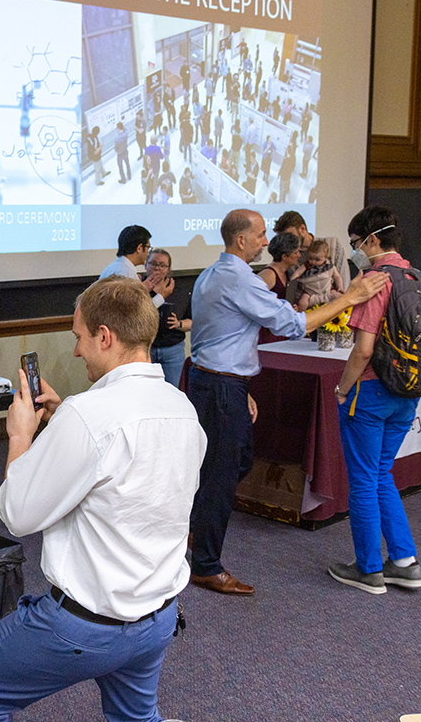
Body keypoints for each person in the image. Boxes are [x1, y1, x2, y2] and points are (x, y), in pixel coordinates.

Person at [0, 277, 206, 722]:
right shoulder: (181, 407)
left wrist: (21, 437)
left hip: (84, 628)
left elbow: (17, 514)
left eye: (79, 338)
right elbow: (129, 471)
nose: (76, 350)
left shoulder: (88, 416)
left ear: (105, 336)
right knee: (136, 717)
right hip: (158, 619)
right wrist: (65, 423)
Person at [187, 210, 388, 595]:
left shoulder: (211, 274)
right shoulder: (239, 280)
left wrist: (240, 388)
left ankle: (198, 530)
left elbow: (220, 340)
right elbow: (292, 325)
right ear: (241, 240)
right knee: (221, 475)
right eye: (261, 235)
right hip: (219, 387)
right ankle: (206, 565)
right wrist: (350, 297)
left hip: (217, 382)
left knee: (235, 462)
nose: (267, 241)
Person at [329, 206, 421, 594]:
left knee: (362, 480)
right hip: (409, 390)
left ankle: (369, 568)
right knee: (381, 474)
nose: (355, 250)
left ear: (371, 240)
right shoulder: (418, 277)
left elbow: (363, 349)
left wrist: (342, 389)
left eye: (356, 243)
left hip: (370, 391)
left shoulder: (374, 280)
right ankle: (405, 561)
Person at [272, 210, 351, 305]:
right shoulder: (288, 256)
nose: (289, 241)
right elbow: (292, 290)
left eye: (290, 235)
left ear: (302, 228)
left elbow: (344, 283)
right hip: (307, 310)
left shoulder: (332, 246)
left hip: (333, 308)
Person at [146, 249, 191, 387]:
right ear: (145, 265)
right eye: (153, 263)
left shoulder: (179, 292)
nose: (157, 268)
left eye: (162, 265)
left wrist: (179, 324)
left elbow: (192, 321)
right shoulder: (138, 289)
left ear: (169, 269)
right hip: (146, 349)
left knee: (173, 392)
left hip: (173, 350)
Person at [97, 226, 172, 308]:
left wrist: (142, 289)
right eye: (148, 248)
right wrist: (161, 296)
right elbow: (136, 313)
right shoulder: (127, 274)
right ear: (139, 248)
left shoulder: (112, 268)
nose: (148, 252)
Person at [294, 239, 346, 311]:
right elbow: (297, 273)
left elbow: (337, 276)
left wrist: (340, 287)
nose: (313, 262)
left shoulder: (329, 266)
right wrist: (292, 281)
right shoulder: (307, 265)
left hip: (327, 290)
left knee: (341, 297)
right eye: (311, 258)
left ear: (326, 258)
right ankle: (300, 316)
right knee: (302, 302)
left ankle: (340, 315)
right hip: (310, 292)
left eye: (317, 260)